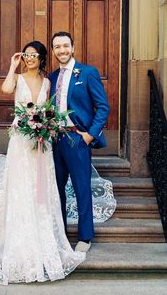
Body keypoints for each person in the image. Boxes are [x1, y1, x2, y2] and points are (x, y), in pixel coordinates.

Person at [0, 41, 85, 285]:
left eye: (34, 55)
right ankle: (19, 242)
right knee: (20, 187)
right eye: (27, 55)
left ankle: (42, 238)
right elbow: (5, 89)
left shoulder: (48, 82)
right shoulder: (18, 77)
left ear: (42, 58)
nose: (30, 59)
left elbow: (51, 110)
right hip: (21, 141)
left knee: (41, 189)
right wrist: (12, 65)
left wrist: (46, 125)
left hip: (42, 143)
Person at [49, 31, 110, 253]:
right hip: (55, 139)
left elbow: (103, 107)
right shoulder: (52, 77)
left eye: (66, 46)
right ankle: (60, 233)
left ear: (73, 48)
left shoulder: (87, 73)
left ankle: (85, 236)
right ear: (54, 50)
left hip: (77, 138)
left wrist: (89, 135)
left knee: (81, 187)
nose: (62, 50)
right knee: (56, 189)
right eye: (57, 47)